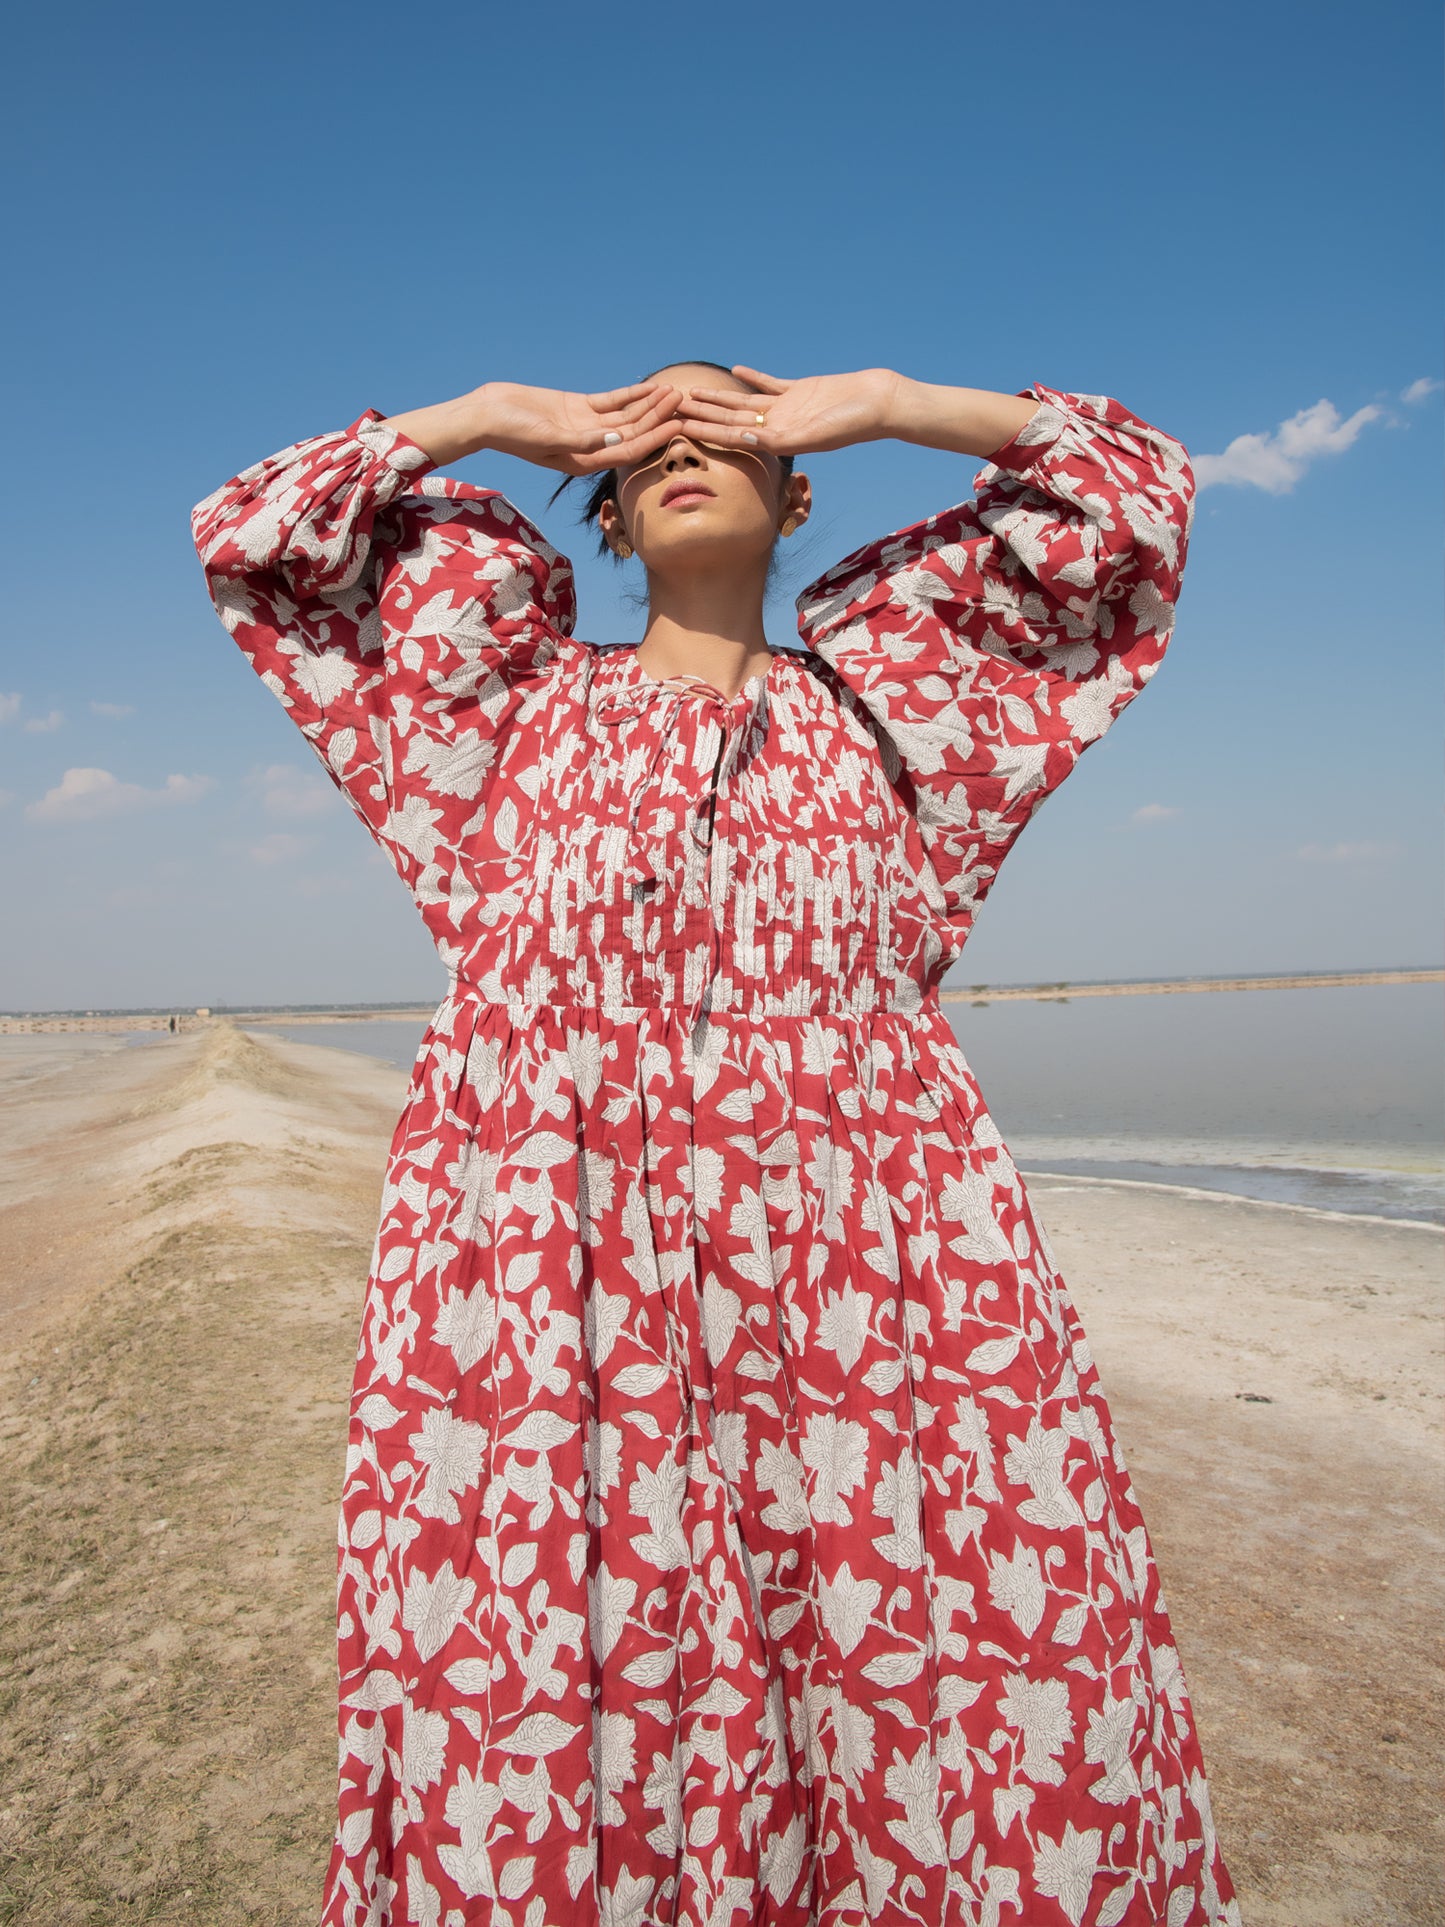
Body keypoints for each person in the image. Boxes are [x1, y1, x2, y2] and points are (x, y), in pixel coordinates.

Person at [193, 362, 1237, 1927]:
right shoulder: (493, 712)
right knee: (562, 1671)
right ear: (605, 511)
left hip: (882, 1284)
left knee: (944, 1661)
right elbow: (256, 537)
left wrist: (883, 398)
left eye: (724, 431)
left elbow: (1124, 500)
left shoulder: (904, 709)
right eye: (647, 447)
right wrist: (478, 414)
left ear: (796, 487)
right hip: (562, 1286)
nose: (683, 449)